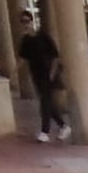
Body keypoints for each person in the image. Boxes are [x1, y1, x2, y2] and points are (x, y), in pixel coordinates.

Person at [16, 10, 70, 143]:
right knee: (47, 102)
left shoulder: (43, 36)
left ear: (32, 21)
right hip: (37, 75)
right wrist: (13, 72)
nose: (25, 25)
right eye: (23, 22)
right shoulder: (26, 41)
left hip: (48, 74)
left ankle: (45, 131)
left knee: (45, 103)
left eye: (27, 21)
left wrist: (52, 73)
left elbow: (55, 55)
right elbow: (23, 59)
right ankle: (63, 126)